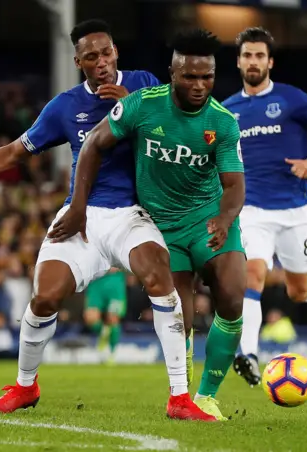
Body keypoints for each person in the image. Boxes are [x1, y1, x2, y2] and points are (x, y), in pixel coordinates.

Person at [0, 19, 213, 422]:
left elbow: (181, 135)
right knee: (45, 297)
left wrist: (134, 106)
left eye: (106, 53)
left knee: (159, 276)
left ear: (115, 51)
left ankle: (179, 398)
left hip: (131, 215)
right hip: (79, 216)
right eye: (91, 57)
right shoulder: (65, 106)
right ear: (78, 61)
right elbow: (15, 152)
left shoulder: (145, 85)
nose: (101, 62)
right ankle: (25, 386)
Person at [52, 29, 246, 421]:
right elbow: (92, 144)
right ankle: (184, 397)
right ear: (172, 73)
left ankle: (208, 394)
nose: (199, 85)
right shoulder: (142, 104)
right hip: (161, 228)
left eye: (206, 77)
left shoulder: (223, 122)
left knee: (233, 295)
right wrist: (77, 204)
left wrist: (225, 219)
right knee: (181, 318)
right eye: (189, 76)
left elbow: (234, 185)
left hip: (208, 221)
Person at [221, 27, 307, 387]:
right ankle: (248, 355)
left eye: (260, 55)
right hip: (253, 212)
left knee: (298, 291)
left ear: (270, 61)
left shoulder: (292, 100)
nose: (254, 61)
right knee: (253, 275)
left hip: (297, 213)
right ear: (239, 61)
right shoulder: (227, 111)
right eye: (247, 55)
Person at [84, 268, 127, 364]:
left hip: (114, 280)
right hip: (96, 281)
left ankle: (111, 353)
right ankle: (103, 331)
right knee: (90, 318)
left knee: (113, 318)